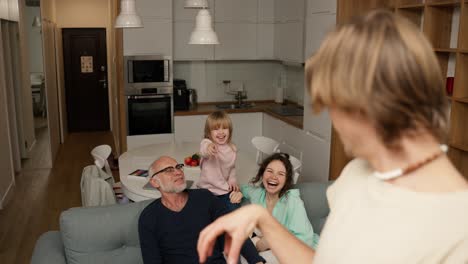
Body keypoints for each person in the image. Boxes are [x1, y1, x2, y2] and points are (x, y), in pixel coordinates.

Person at [197, 10, 468, 264]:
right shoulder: (356, 174)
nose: (336, 123)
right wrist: (261, 219)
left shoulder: (456, 228)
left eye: (339, 106)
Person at [138, 156, 265, 264]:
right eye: (169, 170)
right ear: (155, 182)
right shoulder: (148, 218)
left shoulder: (204, 197)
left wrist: (257, 261)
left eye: (178, 167)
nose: (178, 172)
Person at [234, 152, 319, 251]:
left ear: (286, 180)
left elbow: (305, 240)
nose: (273, 177)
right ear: (262, 174)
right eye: (269, 171)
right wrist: (238, 192)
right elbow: (244, 188)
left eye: (281, 174)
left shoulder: (292, 201)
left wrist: (270, 242)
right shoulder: (258, 194)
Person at [197, 111, 241, 211]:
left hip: (224, 190)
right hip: (206, 189)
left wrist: (232, 179)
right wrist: (209, 148)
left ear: (230, 131)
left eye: (224, 128)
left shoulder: (232, 149)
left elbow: (232, 167)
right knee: (203, 211)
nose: (221, 132)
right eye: (216, 129)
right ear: (209, 133)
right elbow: (203, 150)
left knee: (235, 207)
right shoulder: (207, 143)